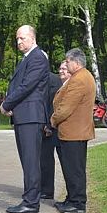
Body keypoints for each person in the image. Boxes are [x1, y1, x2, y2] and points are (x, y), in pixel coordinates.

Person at [0, 25, 49, 213]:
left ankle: (31, 201)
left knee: (30, 160)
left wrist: (7, 104)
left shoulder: (37, 57)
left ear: (32, 38)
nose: (19, 42)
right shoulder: (28, 58)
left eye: (22, 38)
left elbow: (27, 86)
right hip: (25, 114)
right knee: (27, 160)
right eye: (17, 39)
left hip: (31, 116)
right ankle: (29, 197)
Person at [50, 49, 95, 213]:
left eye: (67, 61)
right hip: (75, 131)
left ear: (76, 62)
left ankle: (77, 202)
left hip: (74, 132)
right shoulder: (82, 77)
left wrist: (53, 120)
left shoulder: (79, 79)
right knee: (73, 168)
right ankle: (73, 198)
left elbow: (66, 107)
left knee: (74, 168)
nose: (65, 64)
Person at [40, 61, 65, 199]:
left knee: (49, 159)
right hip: (44, 125)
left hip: (52, 126)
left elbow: (53, 105)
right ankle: (43, 189)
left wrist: (48, 124)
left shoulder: (54, 80)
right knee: (42, 159)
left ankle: (47, 190)